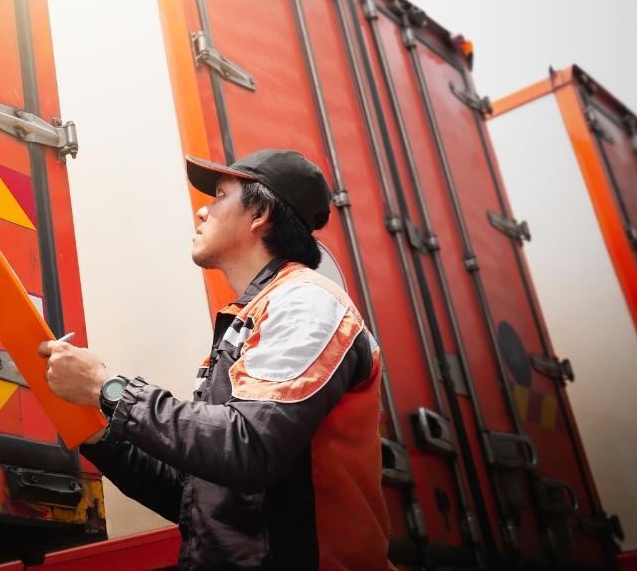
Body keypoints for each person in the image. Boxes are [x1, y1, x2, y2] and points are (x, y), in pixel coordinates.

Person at [39, 149, 389, 570]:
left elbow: (249, 447)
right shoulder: (255, 315)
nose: (202, 211)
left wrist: (108, 389)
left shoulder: (306, 303)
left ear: (260, 213)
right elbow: (194, 497)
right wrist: (95, 427)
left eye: (220, 194)